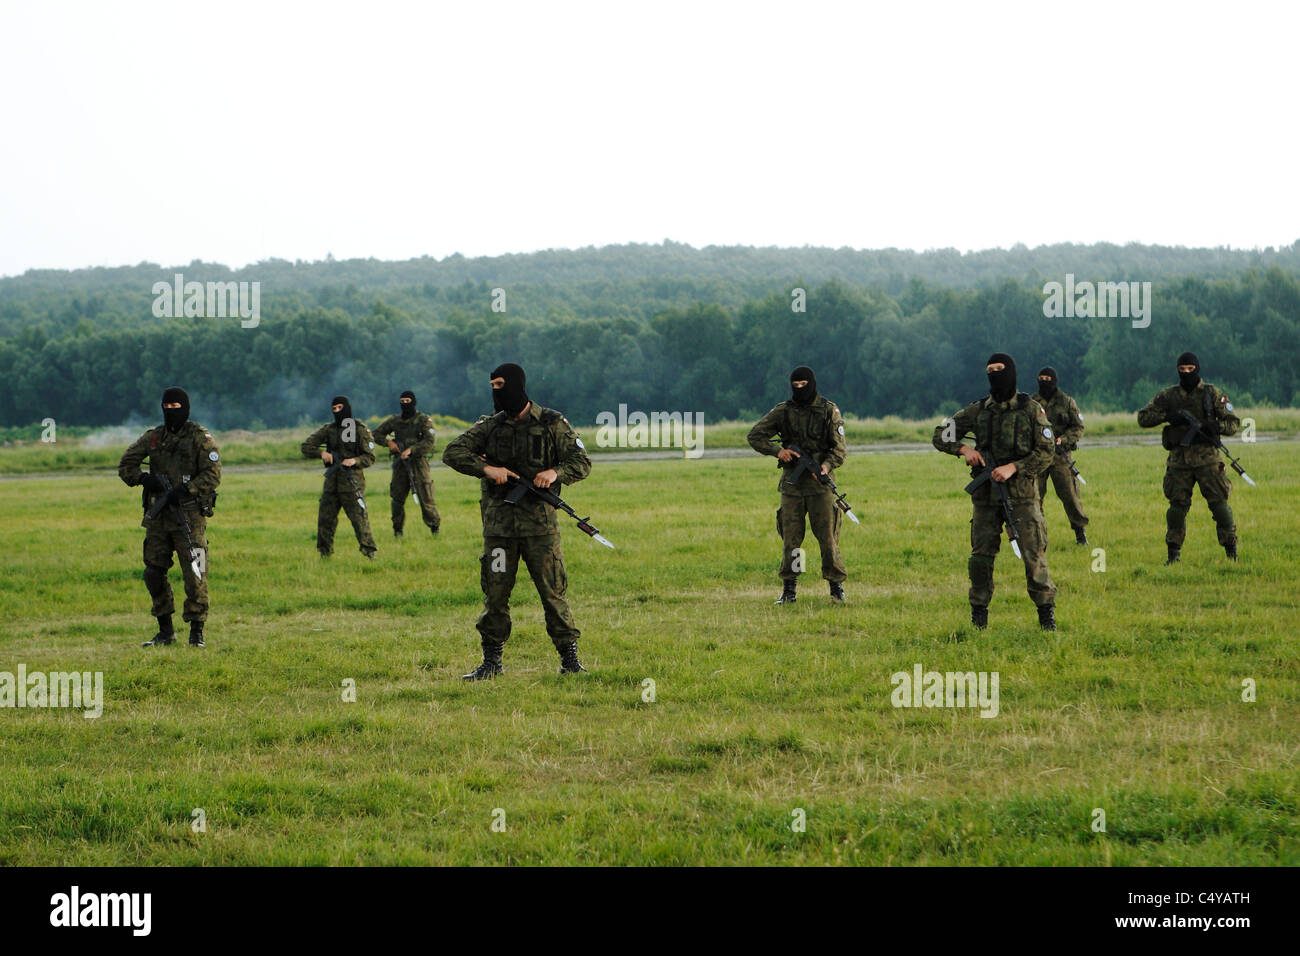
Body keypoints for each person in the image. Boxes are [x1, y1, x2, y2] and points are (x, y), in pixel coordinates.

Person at [442, 363, 592, 679]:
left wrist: (555, 473)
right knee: (495, 596)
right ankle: (491, 663)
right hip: (499, 531)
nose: (497, 391)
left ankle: (570, 662)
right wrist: (486, 469)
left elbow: (581, 461)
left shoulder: (551, 422)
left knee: (553, 595)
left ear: (517, 385)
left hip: (540, 529)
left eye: (501, 385)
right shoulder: (489, 426)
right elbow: (452, 452)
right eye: (492, 385)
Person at [932, 353, 1058, 630]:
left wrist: (1015, 467)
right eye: (990, 370)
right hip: (986, 498)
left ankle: (1046, 615)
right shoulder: (977, 411)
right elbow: (940, 435)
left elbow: (1047, 451)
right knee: (980, 558)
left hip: (1022, 496)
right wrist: (964, 449)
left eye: (999, 370)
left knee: (1033, 555)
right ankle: (979, 615)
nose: (994, 374)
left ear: (1011, 372)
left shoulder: (1030, 409)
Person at [118, 386, 221, 647]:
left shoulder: (199, 437)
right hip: (159, 518)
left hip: (189, 517)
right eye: (167, 407)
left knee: (196, 573)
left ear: (185, 409)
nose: (171, 412)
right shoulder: (154, 438)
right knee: (153, 573)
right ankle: (165, 631)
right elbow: (126, 464)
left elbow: (213, 474)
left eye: (176, 408)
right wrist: (143, 479)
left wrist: (187, 489)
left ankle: (196, 631)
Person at [746, 365, 849, 604]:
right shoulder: (783, 412)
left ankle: (836, 588)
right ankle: (790, 589)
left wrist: (825, 467)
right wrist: (778, 451)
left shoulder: (828, 411)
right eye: (796, 385)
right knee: (792, 540)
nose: (800, 389)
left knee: (828, 539)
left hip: (821, 487)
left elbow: (839, 450)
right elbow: (755, 436)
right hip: (792, 487)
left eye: (804, 385)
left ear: (811, 384)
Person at [1136, 352, 1241, 564]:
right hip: (1179, 461)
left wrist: (1216, 426)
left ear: (1197, 369)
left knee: (1220, 507)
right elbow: (1143, 417)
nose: (1186, 374)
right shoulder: (1168, 396)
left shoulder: (1212, 394)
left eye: (1190, 369)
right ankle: (1173, 556)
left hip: (1208, 459)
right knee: (1176, 508)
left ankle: (1231, 553)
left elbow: (1233, 423)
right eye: (1182, 370)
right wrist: (1166, 417)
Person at [300, 396, 377, 558]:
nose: (336, 411)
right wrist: (321, 453)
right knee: (325, 520)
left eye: (339, 408)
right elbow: (306, 447)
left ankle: (369, 552)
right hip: (331, 483)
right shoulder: (329, 429)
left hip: (351, 482)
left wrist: (354, 460)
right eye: (334, 409)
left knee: (359, 520)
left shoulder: (359, 429)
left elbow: (370, 457)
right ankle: (324, 553)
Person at [1030, 367, 1089, 544]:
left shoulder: (1067, 402)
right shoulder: (1032, 402)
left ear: (1054, 380)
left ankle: (1080, 533)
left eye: (1047, 378)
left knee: (1070, 496)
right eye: (1041, 378)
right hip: (1037, 457)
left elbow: (1078, 427)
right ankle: (1038, 536)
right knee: (1034, 496)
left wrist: (1063, 439)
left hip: (1060, 457)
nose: (1044, 381)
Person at [372, 389, 441, 537]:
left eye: (407, 402)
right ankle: (398, 530)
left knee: (426, 498)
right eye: (402, 402)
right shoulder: (395, 420)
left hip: (418, 463)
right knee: (397, 499)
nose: (404, 404)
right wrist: (388, 442)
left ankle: (434, 528)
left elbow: (430, 442)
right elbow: (376, 434)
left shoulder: (423, 420)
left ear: (413, 402)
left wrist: (412, 450)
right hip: (400, 465)